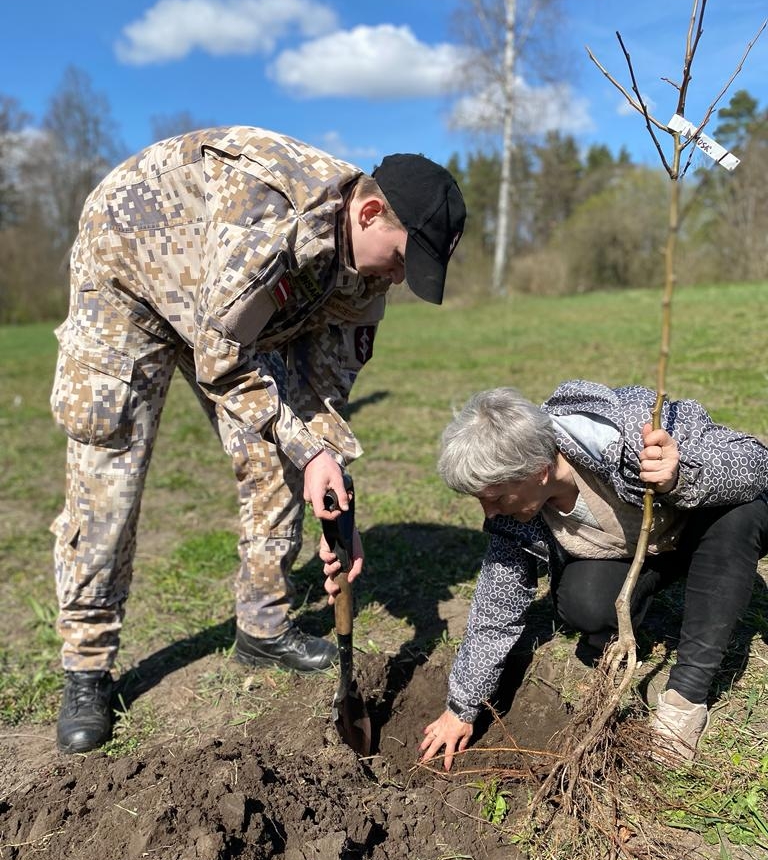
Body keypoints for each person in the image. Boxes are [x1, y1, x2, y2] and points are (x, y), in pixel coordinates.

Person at [50, 125, 466, 754]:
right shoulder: (270, 215)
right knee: (109, 475)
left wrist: (332, 482)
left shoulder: (365, 271)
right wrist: (309, 448)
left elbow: (323, 393)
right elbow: (221, 360)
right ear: (371, 211)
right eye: (406, 259)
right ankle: (86, 668)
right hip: (129, 270)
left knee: (282, 452)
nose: (402, 279)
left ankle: (263, 626)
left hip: (227, 310)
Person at [417, 380, 768, 770]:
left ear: (540, 470)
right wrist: (462, 707)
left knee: (741, 516)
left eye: (496, 497)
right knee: (585, 603)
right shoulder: (515, 521)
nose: (489, 512)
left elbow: (757, 462)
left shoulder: (629, 431)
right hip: (643, 554)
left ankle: (686, 694)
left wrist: (680, 478)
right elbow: (494, 611)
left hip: (703, 526)